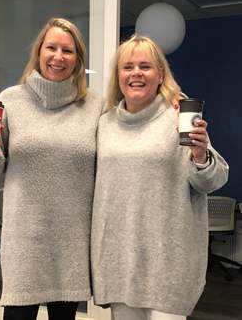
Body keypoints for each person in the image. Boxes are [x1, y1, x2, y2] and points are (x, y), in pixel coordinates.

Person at [0, 17, 103, 320]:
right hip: (24, 239)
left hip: (71, 242)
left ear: (78, 59)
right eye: (51, 47)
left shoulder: (95, 106)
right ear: (39, 52)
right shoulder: (10, 100)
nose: (58, 56)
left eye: (67, 50)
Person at [91, 34, 229, 320]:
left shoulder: (179, 119)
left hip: (168, 262)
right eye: (127, 67)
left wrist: (201, 155)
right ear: (118, 75)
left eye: (145, 66)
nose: (136, 73)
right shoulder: (104, 123)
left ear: (160, 74)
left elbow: (212, 181)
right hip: (120, 259)